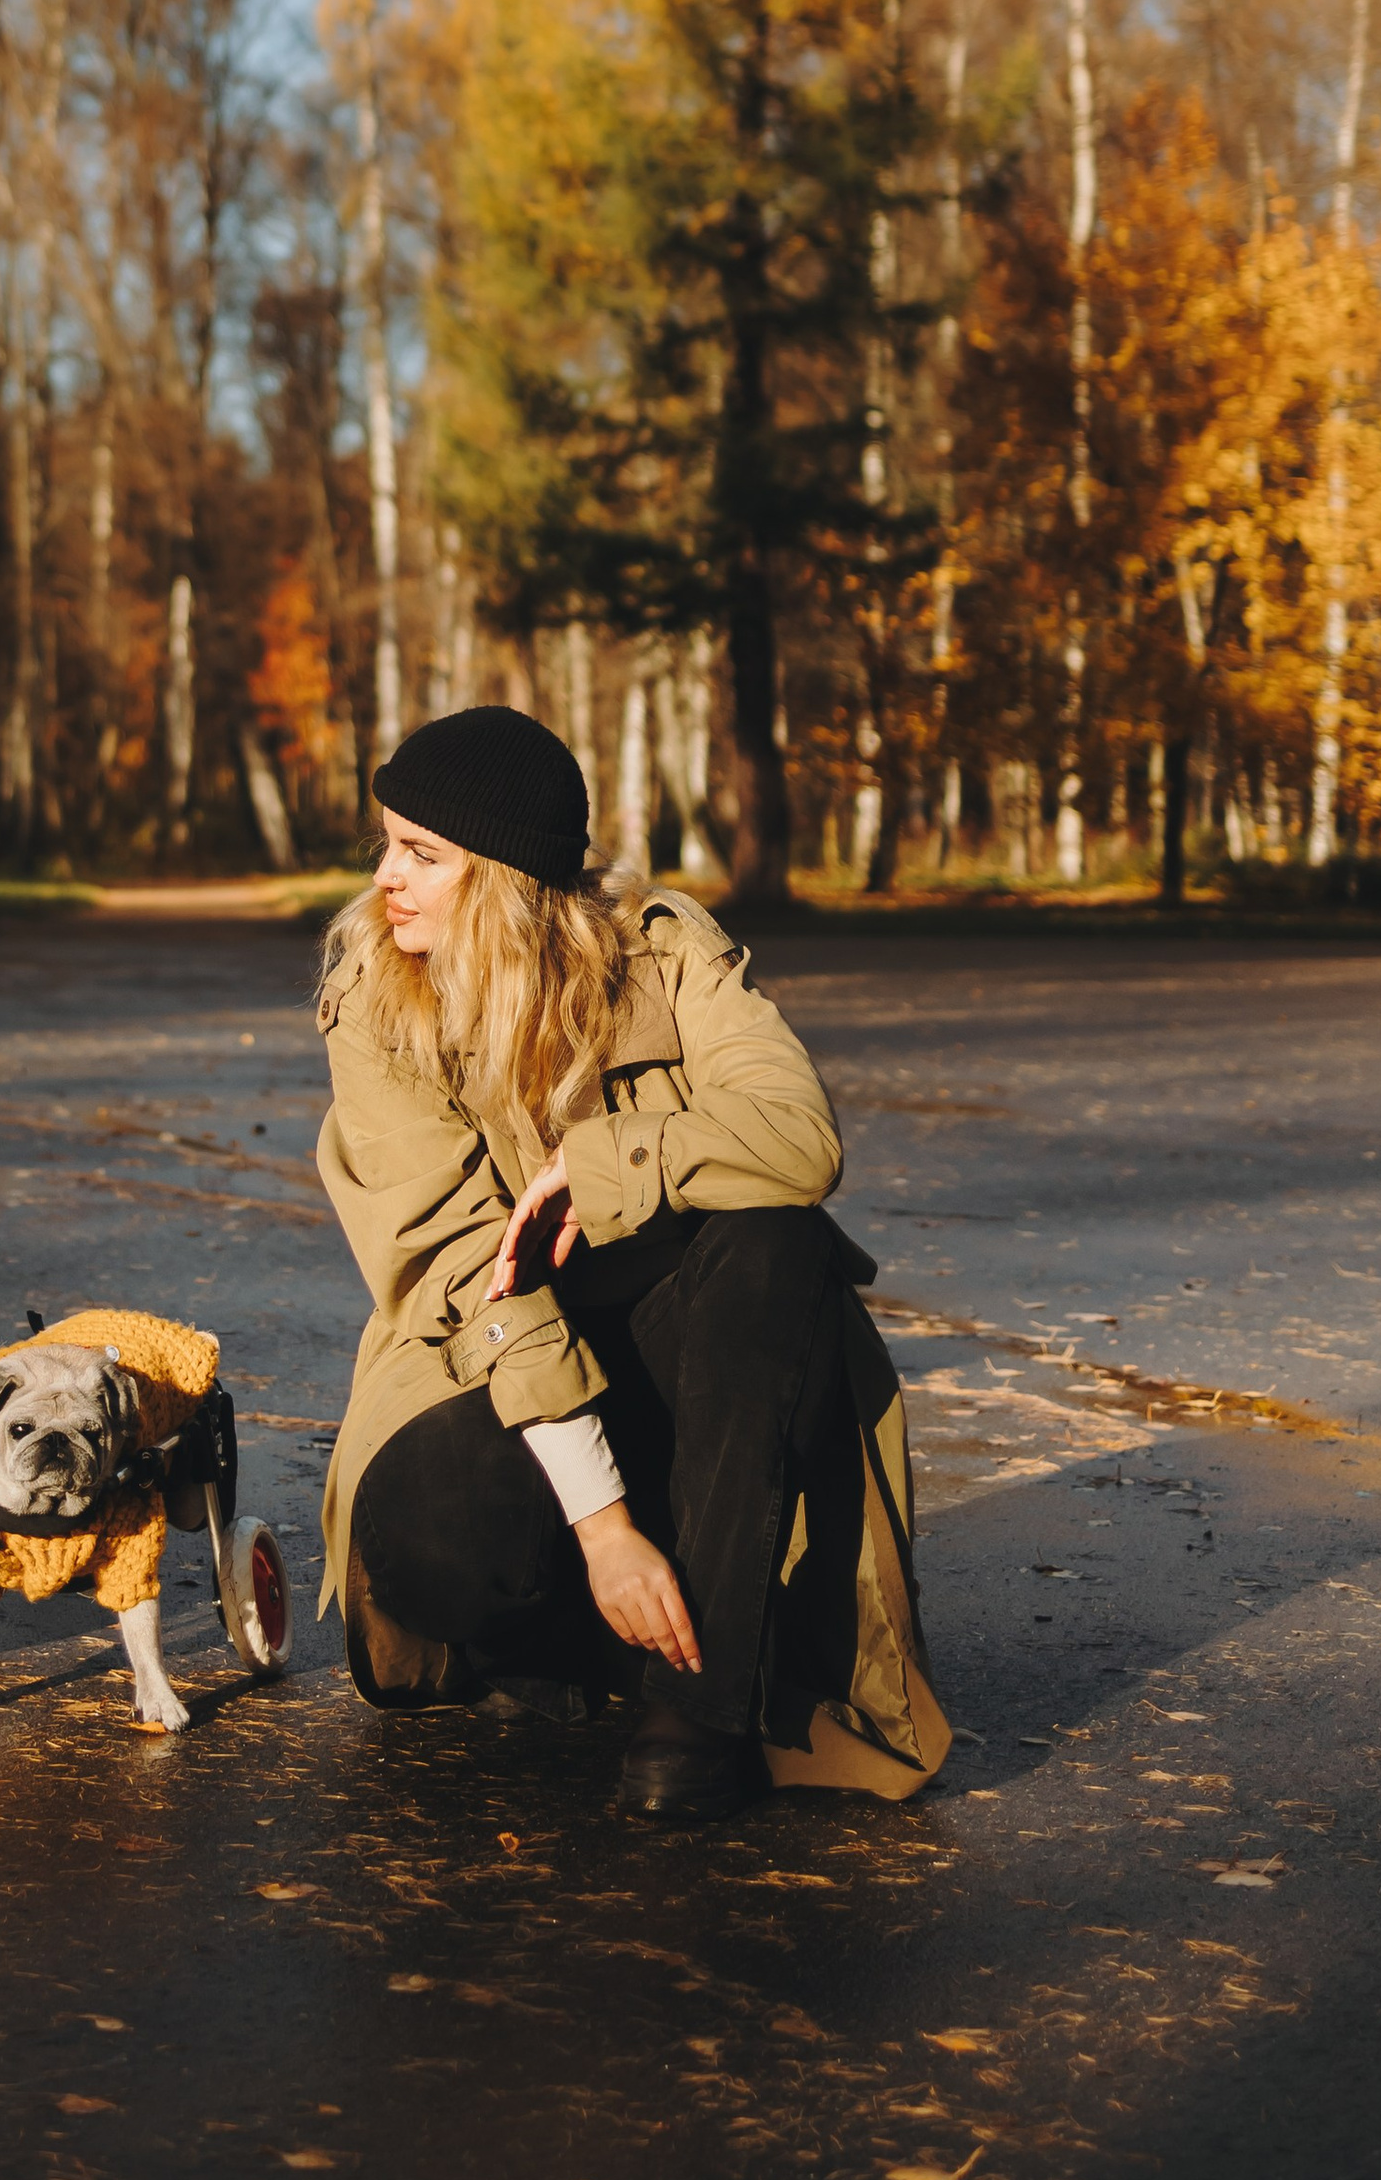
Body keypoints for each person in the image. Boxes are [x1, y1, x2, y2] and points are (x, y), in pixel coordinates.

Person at [314, 705, 947, 1821]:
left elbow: (802, 1142)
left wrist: (604, 1161)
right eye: (386, 843)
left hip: (690, 1361)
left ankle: (696, 1705)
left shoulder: (661, 950)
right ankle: (592, 1629)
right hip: (499, 1362)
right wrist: (605, 1532)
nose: (385, 880)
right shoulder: (375, 996)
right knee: (429, 1534)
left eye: (421, 853)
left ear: (506, 876)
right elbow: (465, 1276)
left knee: (775, 1240)